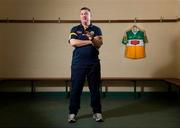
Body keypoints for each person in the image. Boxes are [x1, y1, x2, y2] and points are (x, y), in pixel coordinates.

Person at [68, 7, 103, 123]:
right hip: (78, 64)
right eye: (82, 14)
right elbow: (73, 42)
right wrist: (89, 41)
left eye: (86, 14)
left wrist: (93, 38)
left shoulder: (96, 29)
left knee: (95, 89)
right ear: (80, 16)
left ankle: (97, 112)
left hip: (93, 63)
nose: (84, 16)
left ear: (90, 16)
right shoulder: (75, 29)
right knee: (76, 89)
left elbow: (98, 44)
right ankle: (72, 113)